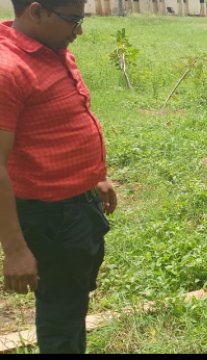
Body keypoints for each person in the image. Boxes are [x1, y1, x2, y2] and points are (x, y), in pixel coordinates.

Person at [1, 0, 117, 353]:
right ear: (36, 12)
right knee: (60, 318)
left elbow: (58, 125)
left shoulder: (53, 49)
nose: (78, 30)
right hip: (51, 217)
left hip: (77, 205)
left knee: (71, 305)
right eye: (73, 20)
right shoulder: (8, 70)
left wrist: (94, 177)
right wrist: (16, 249)